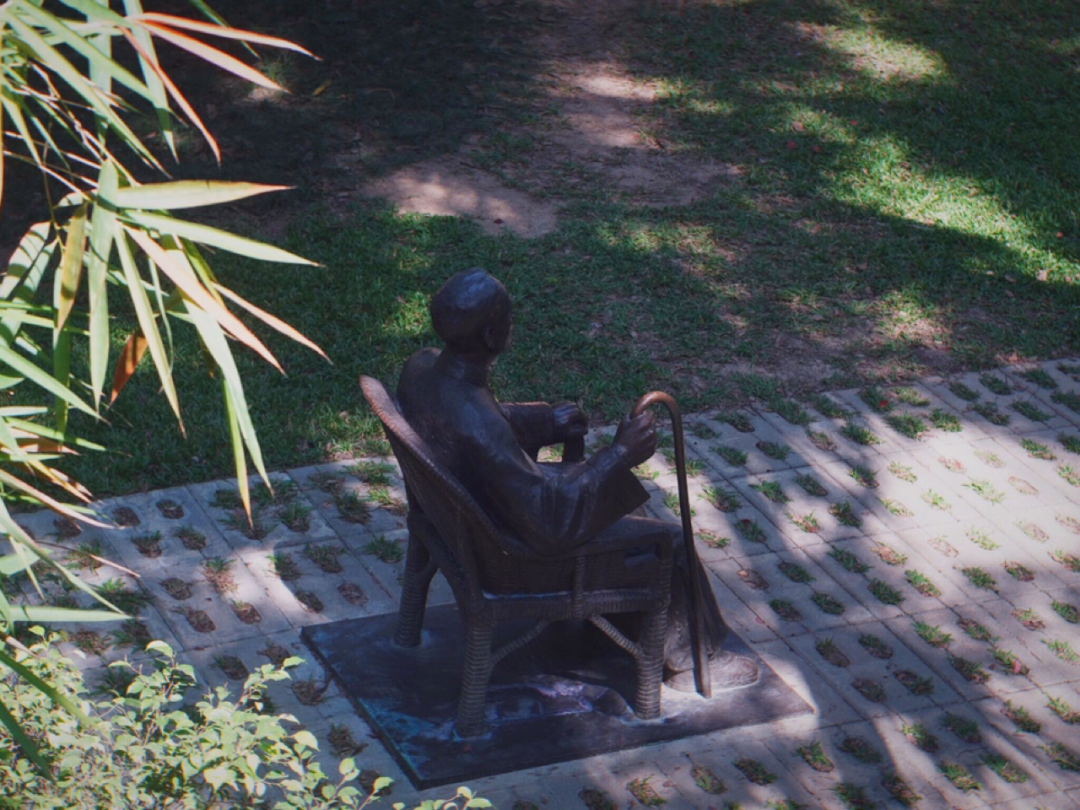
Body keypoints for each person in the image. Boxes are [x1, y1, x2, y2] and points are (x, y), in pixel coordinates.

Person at [396, 268, 757, 691]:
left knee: (626, 507)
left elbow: (483, 422)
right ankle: (694, 664)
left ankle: (627, 616)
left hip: (467, 520)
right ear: (492, 335)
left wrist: (546, 421)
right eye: (508, 318)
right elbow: (547, 519)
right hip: (509, 553)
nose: (513, 324)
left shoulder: (420, 367)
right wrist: (620, 455)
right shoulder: (479, 423)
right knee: (670, 543)